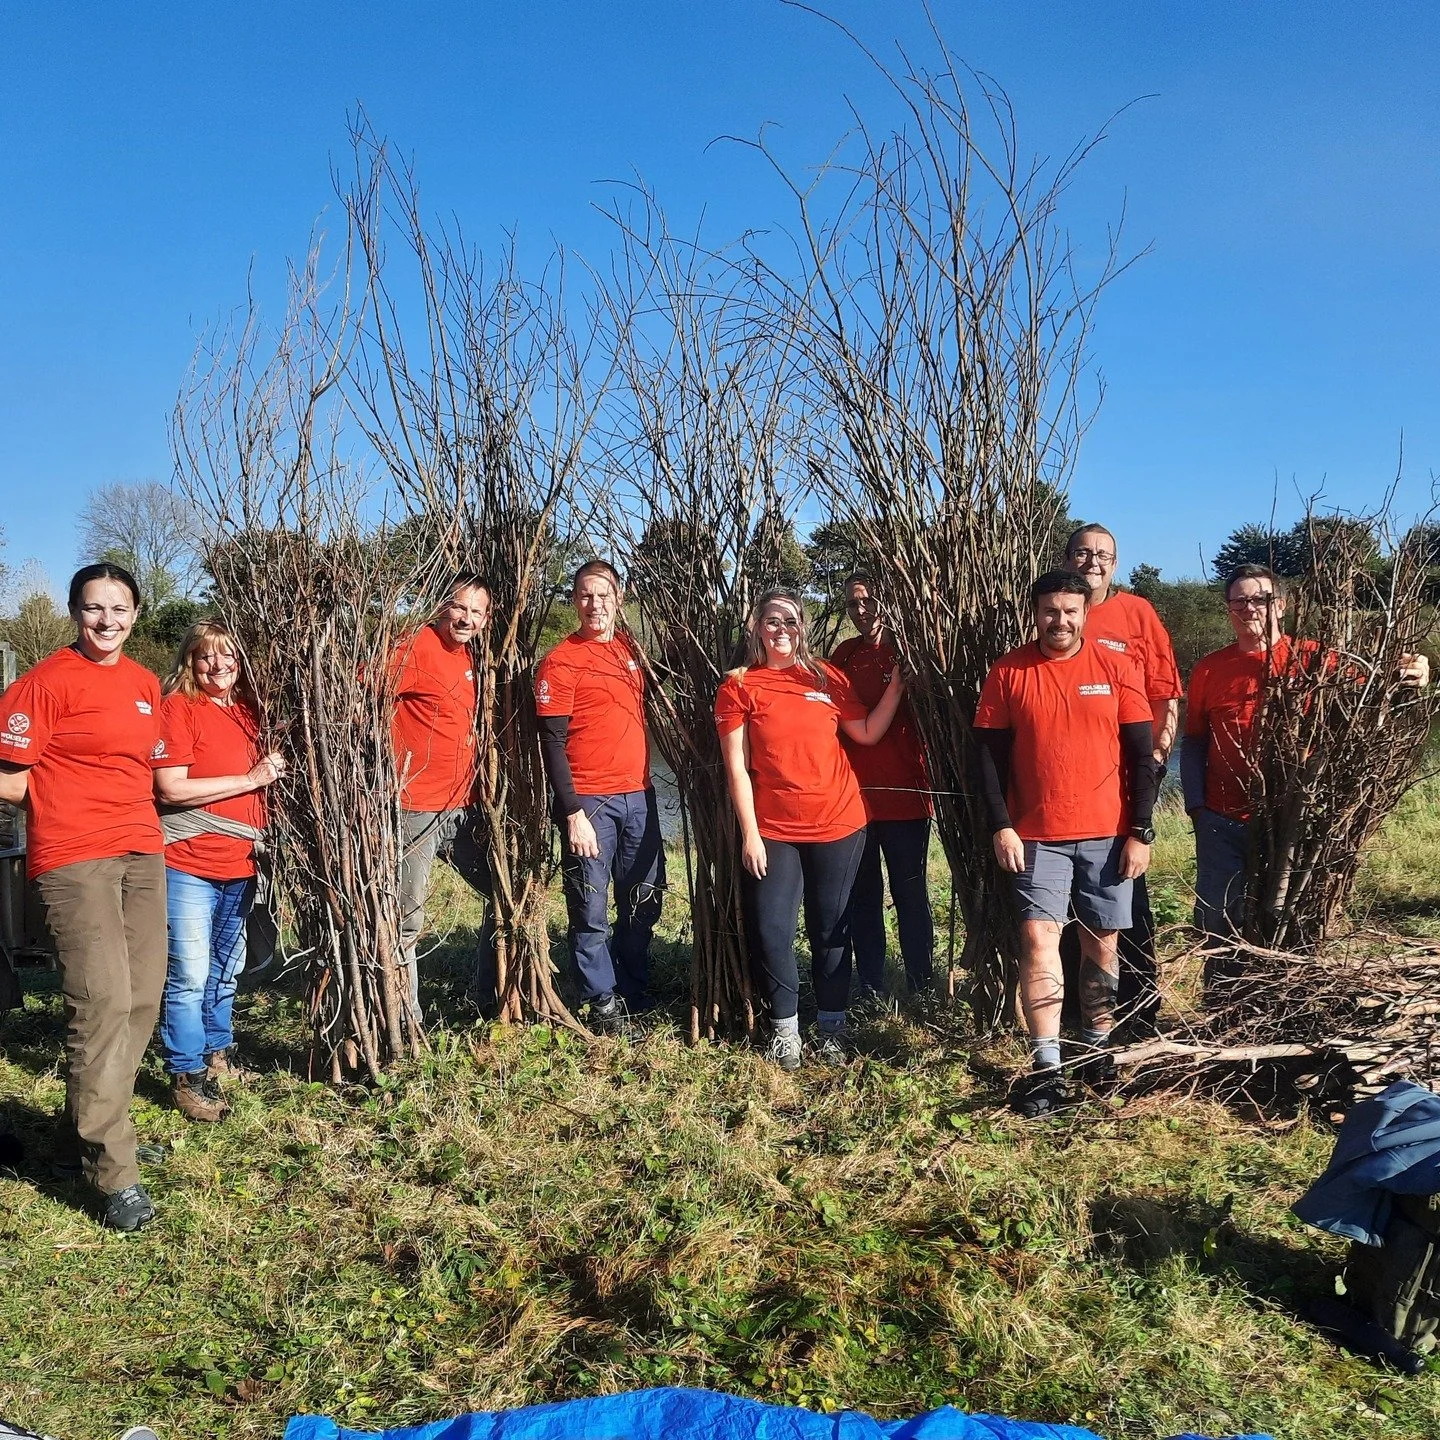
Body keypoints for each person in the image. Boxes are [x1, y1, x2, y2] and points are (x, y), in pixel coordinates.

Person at [0, 563, 171, 1231]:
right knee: (100, 1003)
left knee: (141, 998)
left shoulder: (145, 683)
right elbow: (10, 778)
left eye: (119, 608)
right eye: (94, 608)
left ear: (135, 614)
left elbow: (148, 768)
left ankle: (86, 1136)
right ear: (74, 612)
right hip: (74, 857)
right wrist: (60, 800)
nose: (107, 620)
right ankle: (113, 1169)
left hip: (142, 851)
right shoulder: (43, 683)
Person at [973, 570, 1159, 1117]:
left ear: (1084, 613)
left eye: (1071, 611)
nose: (1061, 620)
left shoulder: (1117, 667)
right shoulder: (1009, 671)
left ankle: (1099, 1052)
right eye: (1050, 610)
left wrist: (1140, 830)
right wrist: (1001, 824)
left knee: (1102, 942)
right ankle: (1047, 1065)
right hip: (1035, 836)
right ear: (1035, 613)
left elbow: (1142, 756)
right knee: (1038, 939)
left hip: (1108, 835)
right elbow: (986, 758)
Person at [1181, 563, 1429, 956]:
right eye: (1239, 601)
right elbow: (1194, 740)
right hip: (1223, 819)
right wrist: (1197, 807)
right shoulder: (1210, 668)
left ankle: (1282, 988)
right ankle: (1223, 993)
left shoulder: (1315, 660)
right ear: (1228, 608)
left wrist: (1412, 674)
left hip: (1293, 819)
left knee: (1286, 919)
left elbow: (1375, 694)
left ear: (1281, 605)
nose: (1249, 608)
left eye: (1261, 599)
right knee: (1220, 922)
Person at [716, 588, 905, 1069]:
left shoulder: (826, 676)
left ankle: (832, 1027)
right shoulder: (739, 685)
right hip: (774, 828)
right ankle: (786, 1031)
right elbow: (737, 769)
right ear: (757, 627)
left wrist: (897, 687)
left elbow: (866, 733)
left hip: (839, 822)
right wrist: (750, 834)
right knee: (772, 928)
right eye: (772, 621)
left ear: (802, 627)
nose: (782, 630)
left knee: (831, 928)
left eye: (791, 621)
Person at [153, 621, 285, 1122]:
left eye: (228, 655)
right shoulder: (179, 709)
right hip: (188, 861)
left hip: (241, 863)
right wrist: (251, 779)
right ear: (190, 661)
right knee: (189, 973)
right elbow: (170, 788)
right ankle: (186, 1075)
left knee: (225, 971)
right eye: (206, 656)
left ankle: (217, 1057)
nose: (218, 665)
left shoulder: (251, 712)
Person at [1060, 523, 1183, 1034]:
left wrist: (1156, 759)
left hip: (1124, 781)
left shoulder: (1137, 614)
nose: (1093, 561)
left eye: (1103, 555)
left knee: (1127, 894)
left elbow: (1165, 693)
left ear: (1115, 563)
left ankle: (1139, 1012)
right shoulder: (1055, 609)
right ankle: (1076, 1015)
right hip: (1065, 786)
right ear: (1067, 558)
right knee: (1068, 904)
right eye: (1083, 552)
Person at [536, 560, 662, 1033]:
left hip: (639, 796)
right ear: (574, 601)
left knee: (644, 898)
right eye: (586, 595)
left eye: (604, 594)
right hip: (590, 803)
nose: (596, 604)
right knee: (590, 907)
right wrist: (572, 812)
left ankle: (632, 987)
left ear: (619, 598)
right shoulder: (560, 661)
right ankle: (603, 1003)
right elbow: (551, 742)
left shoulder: (630, 651)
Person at [391, 574, 495, 1016]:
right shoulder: (413, 647)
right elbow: (359, 694)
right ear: (441, 607)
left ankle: (489, 997)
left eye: (476, 611)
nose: (467, 618)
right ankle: (405, 1019)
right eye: (459, 608)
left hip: (463, 806)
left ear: (486, 618)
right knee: (406, 919)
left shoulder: (470, 656)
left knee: (501, 892)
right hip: (415, 807)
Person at [828, 573, 934, 999]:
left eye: (869, 600)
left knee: (911, 894)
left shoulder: (911, 651)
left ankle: (921, 987)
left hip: (907, 795)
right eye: (853, 604)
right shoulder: (845, 655)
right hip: (855, 799)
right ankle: (871, 986)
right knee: (863, 897)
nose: (861, 611)